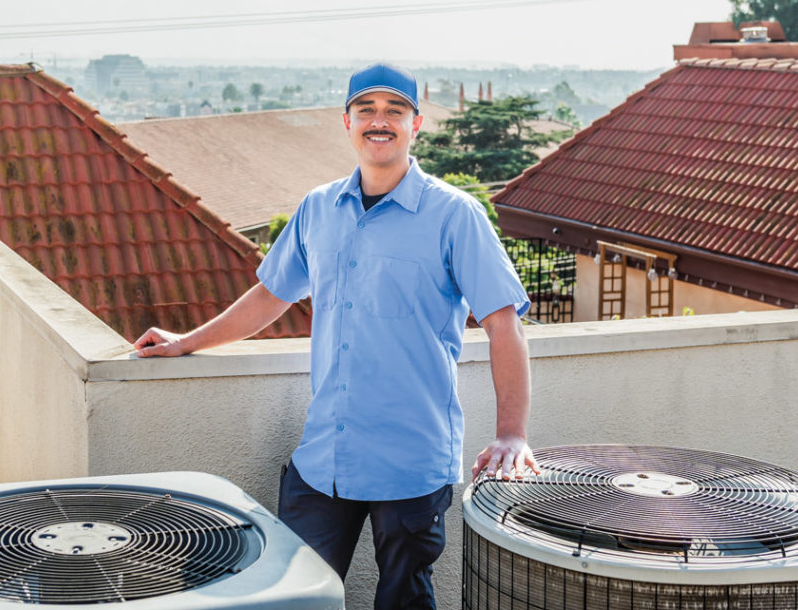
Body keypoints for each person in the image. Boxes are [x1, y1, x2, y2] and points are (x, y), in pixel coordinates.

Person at [134, 62, 539, 610]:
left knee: (404, 601)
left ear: (415, 124)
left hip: (411, 461)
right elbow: (271, 296)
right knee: (292, 596)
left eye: (394, 111)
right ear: (345, 122)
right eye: (366, 111)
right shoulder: (318, 208)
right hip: (324, 456)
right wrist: (186, 342)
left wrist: (511, 434)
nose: (380, 122)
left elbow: (502, 323)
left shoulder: (454, 215)